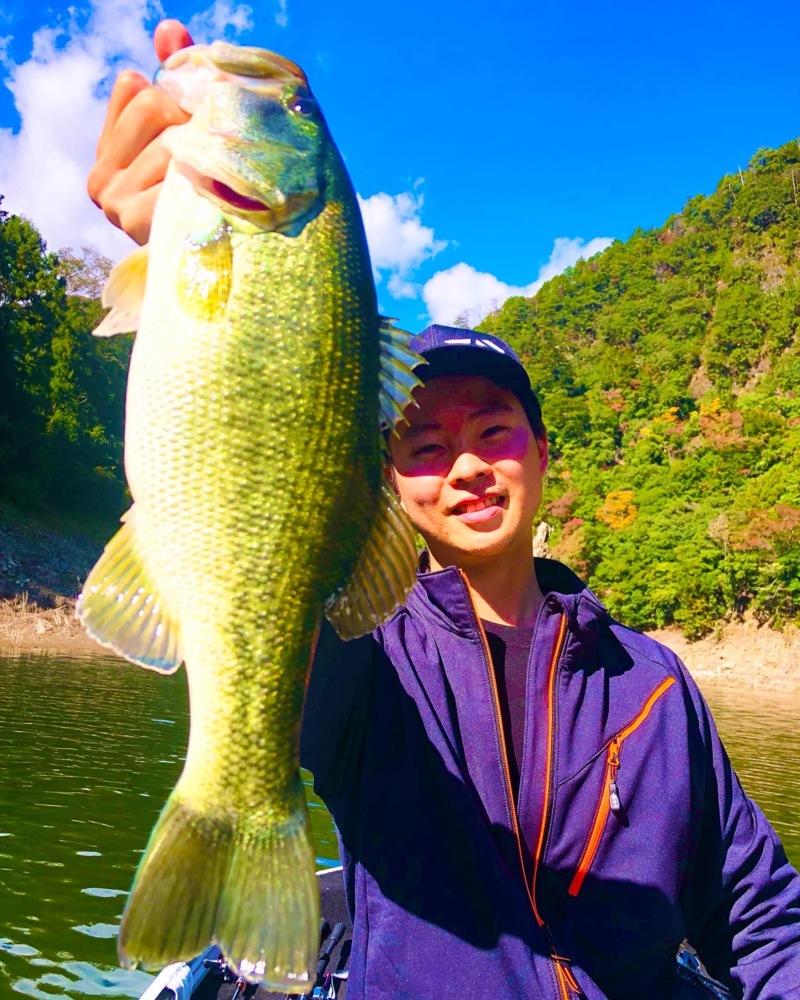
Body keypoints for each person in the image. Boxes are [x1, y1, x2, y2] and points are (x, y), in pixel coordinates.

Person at [89, 22, 800, 999]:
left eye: (494, 431)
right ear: (389, 486)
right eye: (424, 444)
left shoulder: (655, 687)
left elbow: (760, 914)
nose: (464, 464)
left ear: (543, 456)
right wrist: (174, 239)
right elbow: (287, 627)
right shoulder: (372, 653)